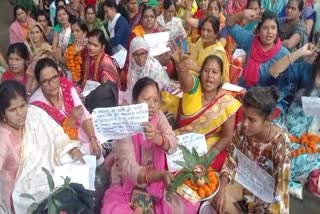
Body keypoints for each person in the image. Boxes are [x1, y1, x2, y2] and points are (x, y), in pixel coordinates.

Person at [101, 77, 200, 213]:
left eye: (155, 100)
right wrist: (159, 175)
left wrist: (156, 137)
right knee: (113, 209)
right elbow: (130, 167)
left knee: (192, 200)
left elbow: (173, 144)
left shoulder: (158, 116)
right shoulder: (125, 122)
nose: (152, 105)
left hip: (161, 179)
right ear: (135, 101)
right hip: (129, 181)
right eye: (146, 99)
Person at [0, 80, 84, 212]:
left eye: (22, 106)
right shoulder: (3, 135)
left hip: (51, 176)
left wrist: (72, 149)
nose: (20, 113)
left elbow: (56, 133)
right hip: (22, 195)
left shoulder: (34, 114)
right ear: (3, 113)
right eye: (13, 110)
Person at [212, 86, 290, 214]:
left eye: (252, 120)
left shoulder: (279, 145)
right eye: (244, 116)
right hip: (244, 189)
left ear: (268, 119)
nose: (245, 123)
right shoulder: (241, 130)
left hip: (267, 204)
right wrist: (221, 190)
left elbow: (281, 191)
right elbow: (231, 160)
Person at [172, 53, 241, 170]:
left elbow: (227, 137)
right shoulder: (194, 87)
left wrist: (207, 158)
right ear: (200, 73)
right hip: (182, 142)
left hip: (209, 149)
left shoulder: (227, 102)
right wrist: (181, 67)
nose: (209, 76)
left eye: (214, 72)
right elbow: (186, 82)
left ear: (220, 78)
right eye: (206, 71)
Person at [29, 58, 101, 157]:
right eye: (45, 81)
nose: (52, 84)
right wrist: (71, 120)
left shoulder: (65, 85)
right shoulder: (36, 106)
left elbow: (83, 114)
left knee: (96, 143)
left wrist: (92, 139)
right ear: (39, 82)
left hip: (79, 133)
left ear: (59, 74)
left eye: (54, 77)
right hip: (61, 147)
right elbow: (52, 138)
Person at [226, 10, 290, 114]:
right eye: (265, 28)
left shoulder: (284, 54)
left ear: (277, 31)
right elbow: (229, 25)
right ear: (258, 31)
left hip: (263, 104)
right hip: (242, 94)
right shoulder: (250, 41)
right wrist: (241, 14)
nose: (269, 32)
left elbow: (288, 85)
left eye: (273, 28)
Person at [283, 52, 320, 199]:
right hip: (296, 117)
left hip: (315, 125)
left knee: (311, 153)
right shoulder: (306, 70)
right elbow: (297, 98)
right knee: (287, 149)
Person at [125, 37, 170, 103]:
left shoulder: (155, 69)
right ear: (131, 55)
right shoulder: (133, 66)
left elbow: (156, 94)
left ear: (147, 52)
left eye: (143, 53)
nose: (140, 58)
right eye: (136, 54)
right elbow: (131, 90)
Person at [189, 16, 229, 82]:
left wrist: (196, 68)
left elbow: (214, 77)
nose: (204, 33)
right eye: (203, 29)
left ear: (216, 34)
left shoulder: (217, 52)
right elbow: (191, 61)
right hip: (194, 80)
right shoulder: (200, 41)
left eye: (209, 31)